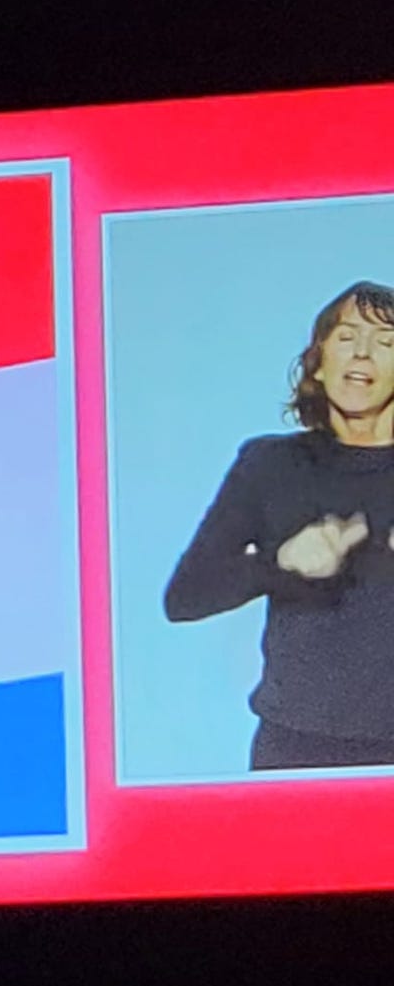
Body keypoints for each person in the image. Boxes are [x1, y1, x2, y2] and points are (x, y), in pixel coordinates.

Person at [164, 279, 394, 769]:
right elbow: (185, 597)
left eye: (386, 343)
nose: (363, 355)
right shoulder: (270, 465)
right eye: (347, 337)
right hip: (295, 750)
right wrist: (280, 565)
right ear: (319, 360)